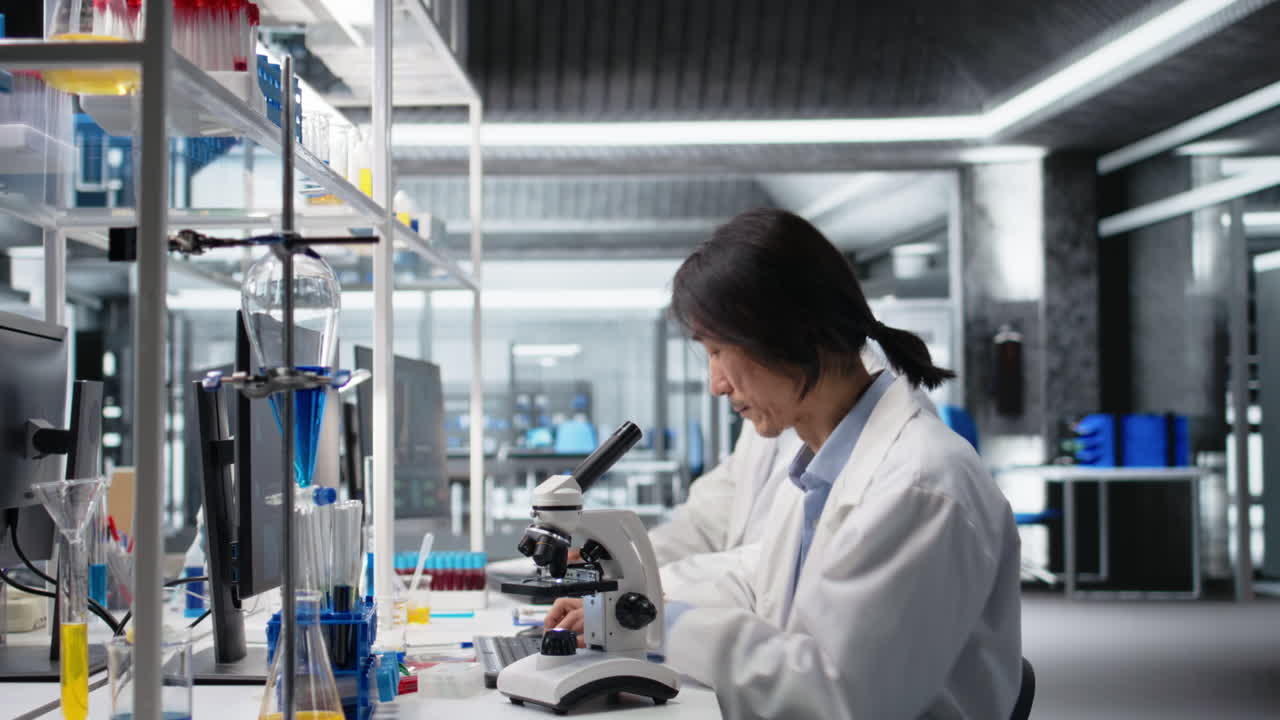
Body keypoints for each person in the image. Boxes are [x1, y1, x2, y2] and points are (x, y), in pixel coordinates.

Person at [546, 208, 1022, 719]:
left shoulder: (919, 486)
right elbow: (762, 583)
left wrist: (658, 623)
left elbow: (842, 697)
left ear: (792, 334)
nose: (716, 385)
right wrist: (628, 602)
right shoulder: (823, 469)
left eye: (718, 352)